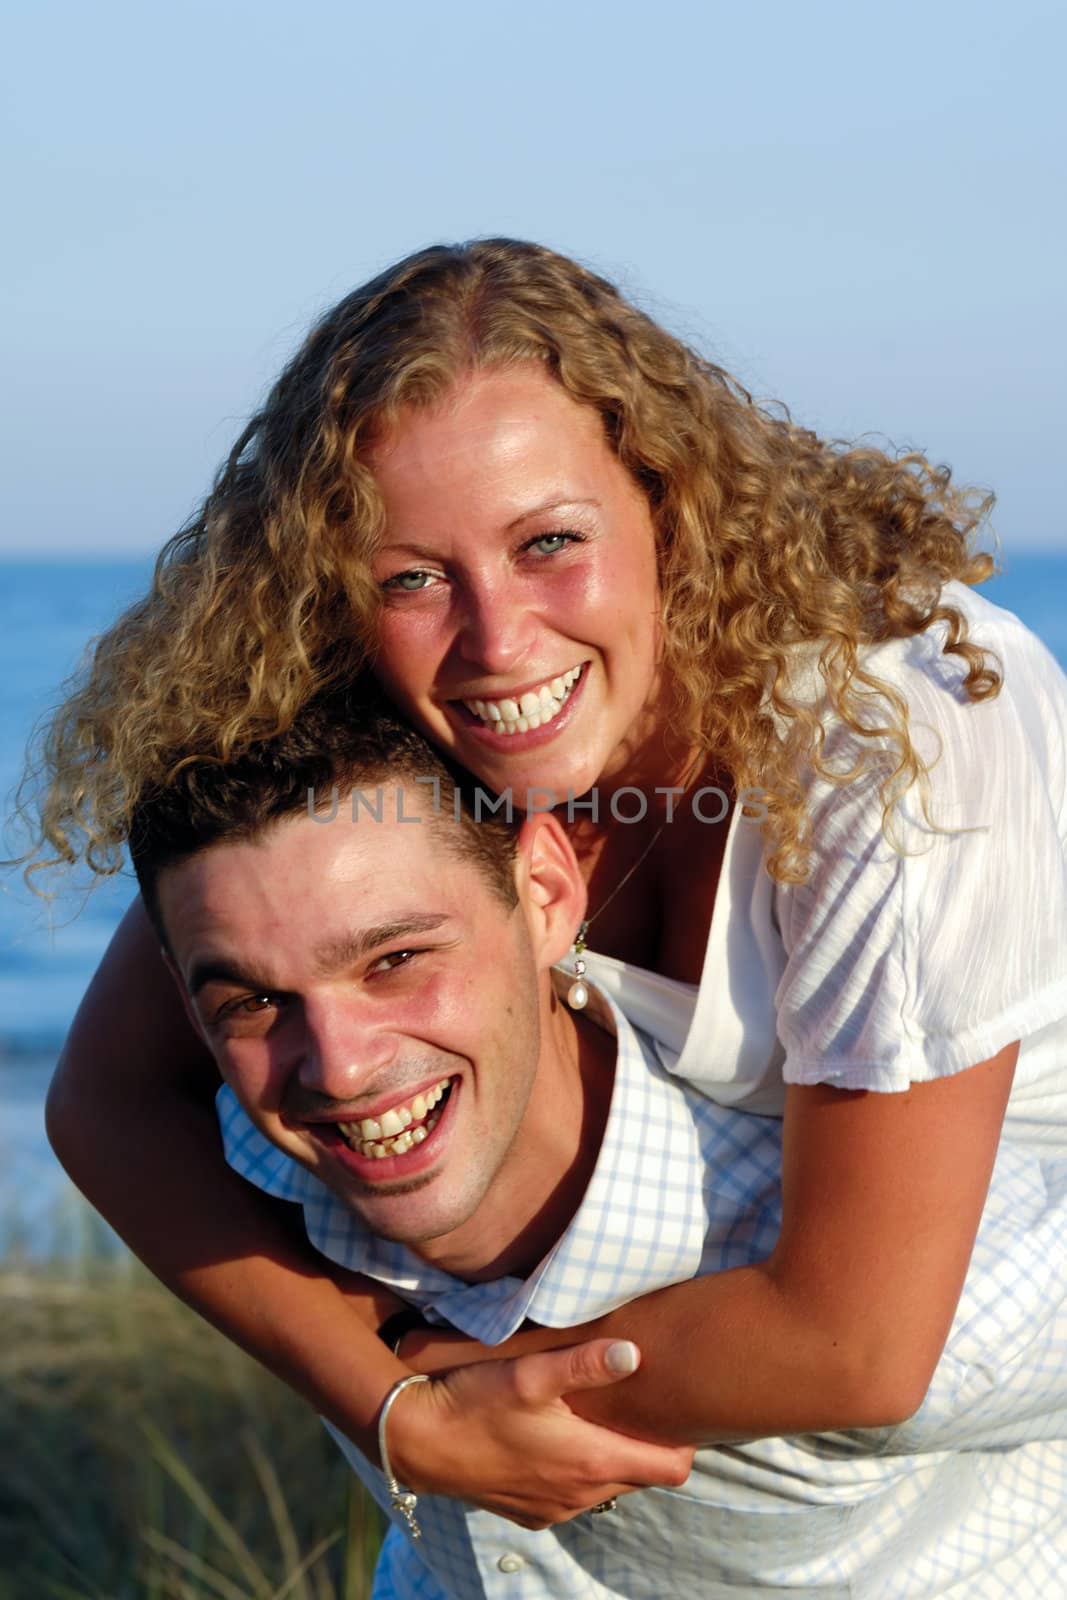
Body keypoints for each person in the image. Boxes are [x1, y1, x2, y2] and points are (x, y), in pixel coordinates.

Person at [32, 240, 1067, 1585]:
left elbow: (857, 1347)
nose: (497, 640)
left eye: (548, 545)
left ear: (669, 503)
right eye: (409, 576)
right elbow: (110, 1101)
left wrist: (465, 1404)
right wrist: (394, 1410)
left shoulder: (897, 735)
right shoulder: (401, 714)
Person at [125, 684, 1056, 1597]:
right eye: (251, 1001)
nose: (336, 1069)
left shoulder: (923, 1294)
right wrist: (397, 1399)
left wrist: (437, 1383)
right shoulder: (239, 1173)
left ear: (545, 894)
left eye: (395, 961)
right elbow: (107, 1111)